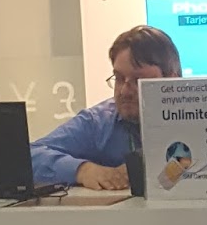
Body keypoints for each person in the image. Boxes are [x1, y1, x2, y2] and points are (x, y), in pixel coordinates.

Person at [30, 24, 180, 190]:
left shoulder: (200, 116)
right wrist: (82, 170)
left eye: (138, 80)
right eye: (119, 78)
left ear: (171, 81)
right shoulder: (98, 122)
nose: (124, 91)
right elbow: (30, 156)